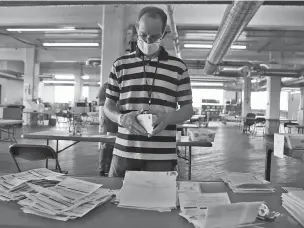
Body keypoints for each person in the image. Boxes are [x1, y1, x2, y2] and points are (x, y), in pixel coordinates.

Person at [104, 6, 193, 177]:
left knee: (160, 202)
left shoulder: (178, 67)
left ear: (164, 34)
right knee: (117, 198)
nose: (147, 41)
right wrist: (122, 118)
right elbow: (108, 106)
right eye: (143, 35)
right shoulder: (120, 65)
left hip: (161, 156)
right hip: (124, 152)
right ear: (137, 29)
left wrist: (167, 118)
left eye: (154, 37)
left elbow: (188, 109)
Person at [96, 82, 118, 176]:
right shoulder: (105, 87)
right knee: (106, 144)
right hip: (109, 119)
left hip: (118, 117)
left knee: (114, 144)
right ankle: (102, 168)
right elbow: (102, 106)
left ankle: (109, 167)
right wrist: (103, 119)